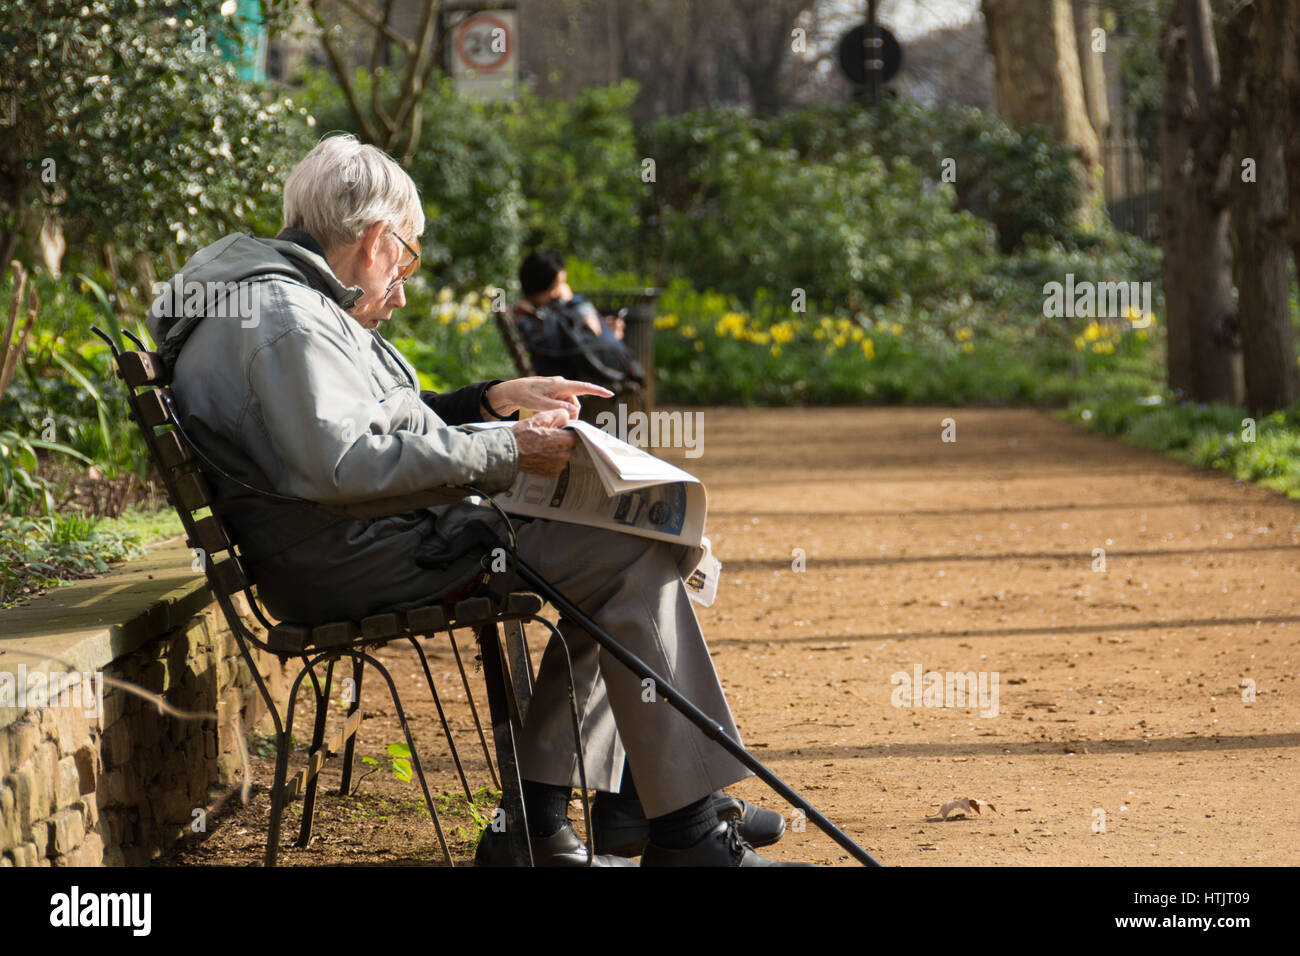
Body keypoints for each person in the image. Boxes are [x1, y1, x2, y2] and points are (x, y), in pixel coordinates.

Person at [146, 133, 807, 867]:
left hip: (357, 537)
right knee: (628, 553)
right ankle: (677, 833)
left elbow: (366, 424)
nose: (404, 273)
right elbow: (344, 464)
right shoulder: (286, 319)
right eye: (408, 251)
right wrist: (510, 449)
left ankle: (577, 819)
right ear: (373, 240)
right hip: (357, 553)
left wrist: (489, 402)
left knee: (616, 540)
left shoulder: (278, 298)